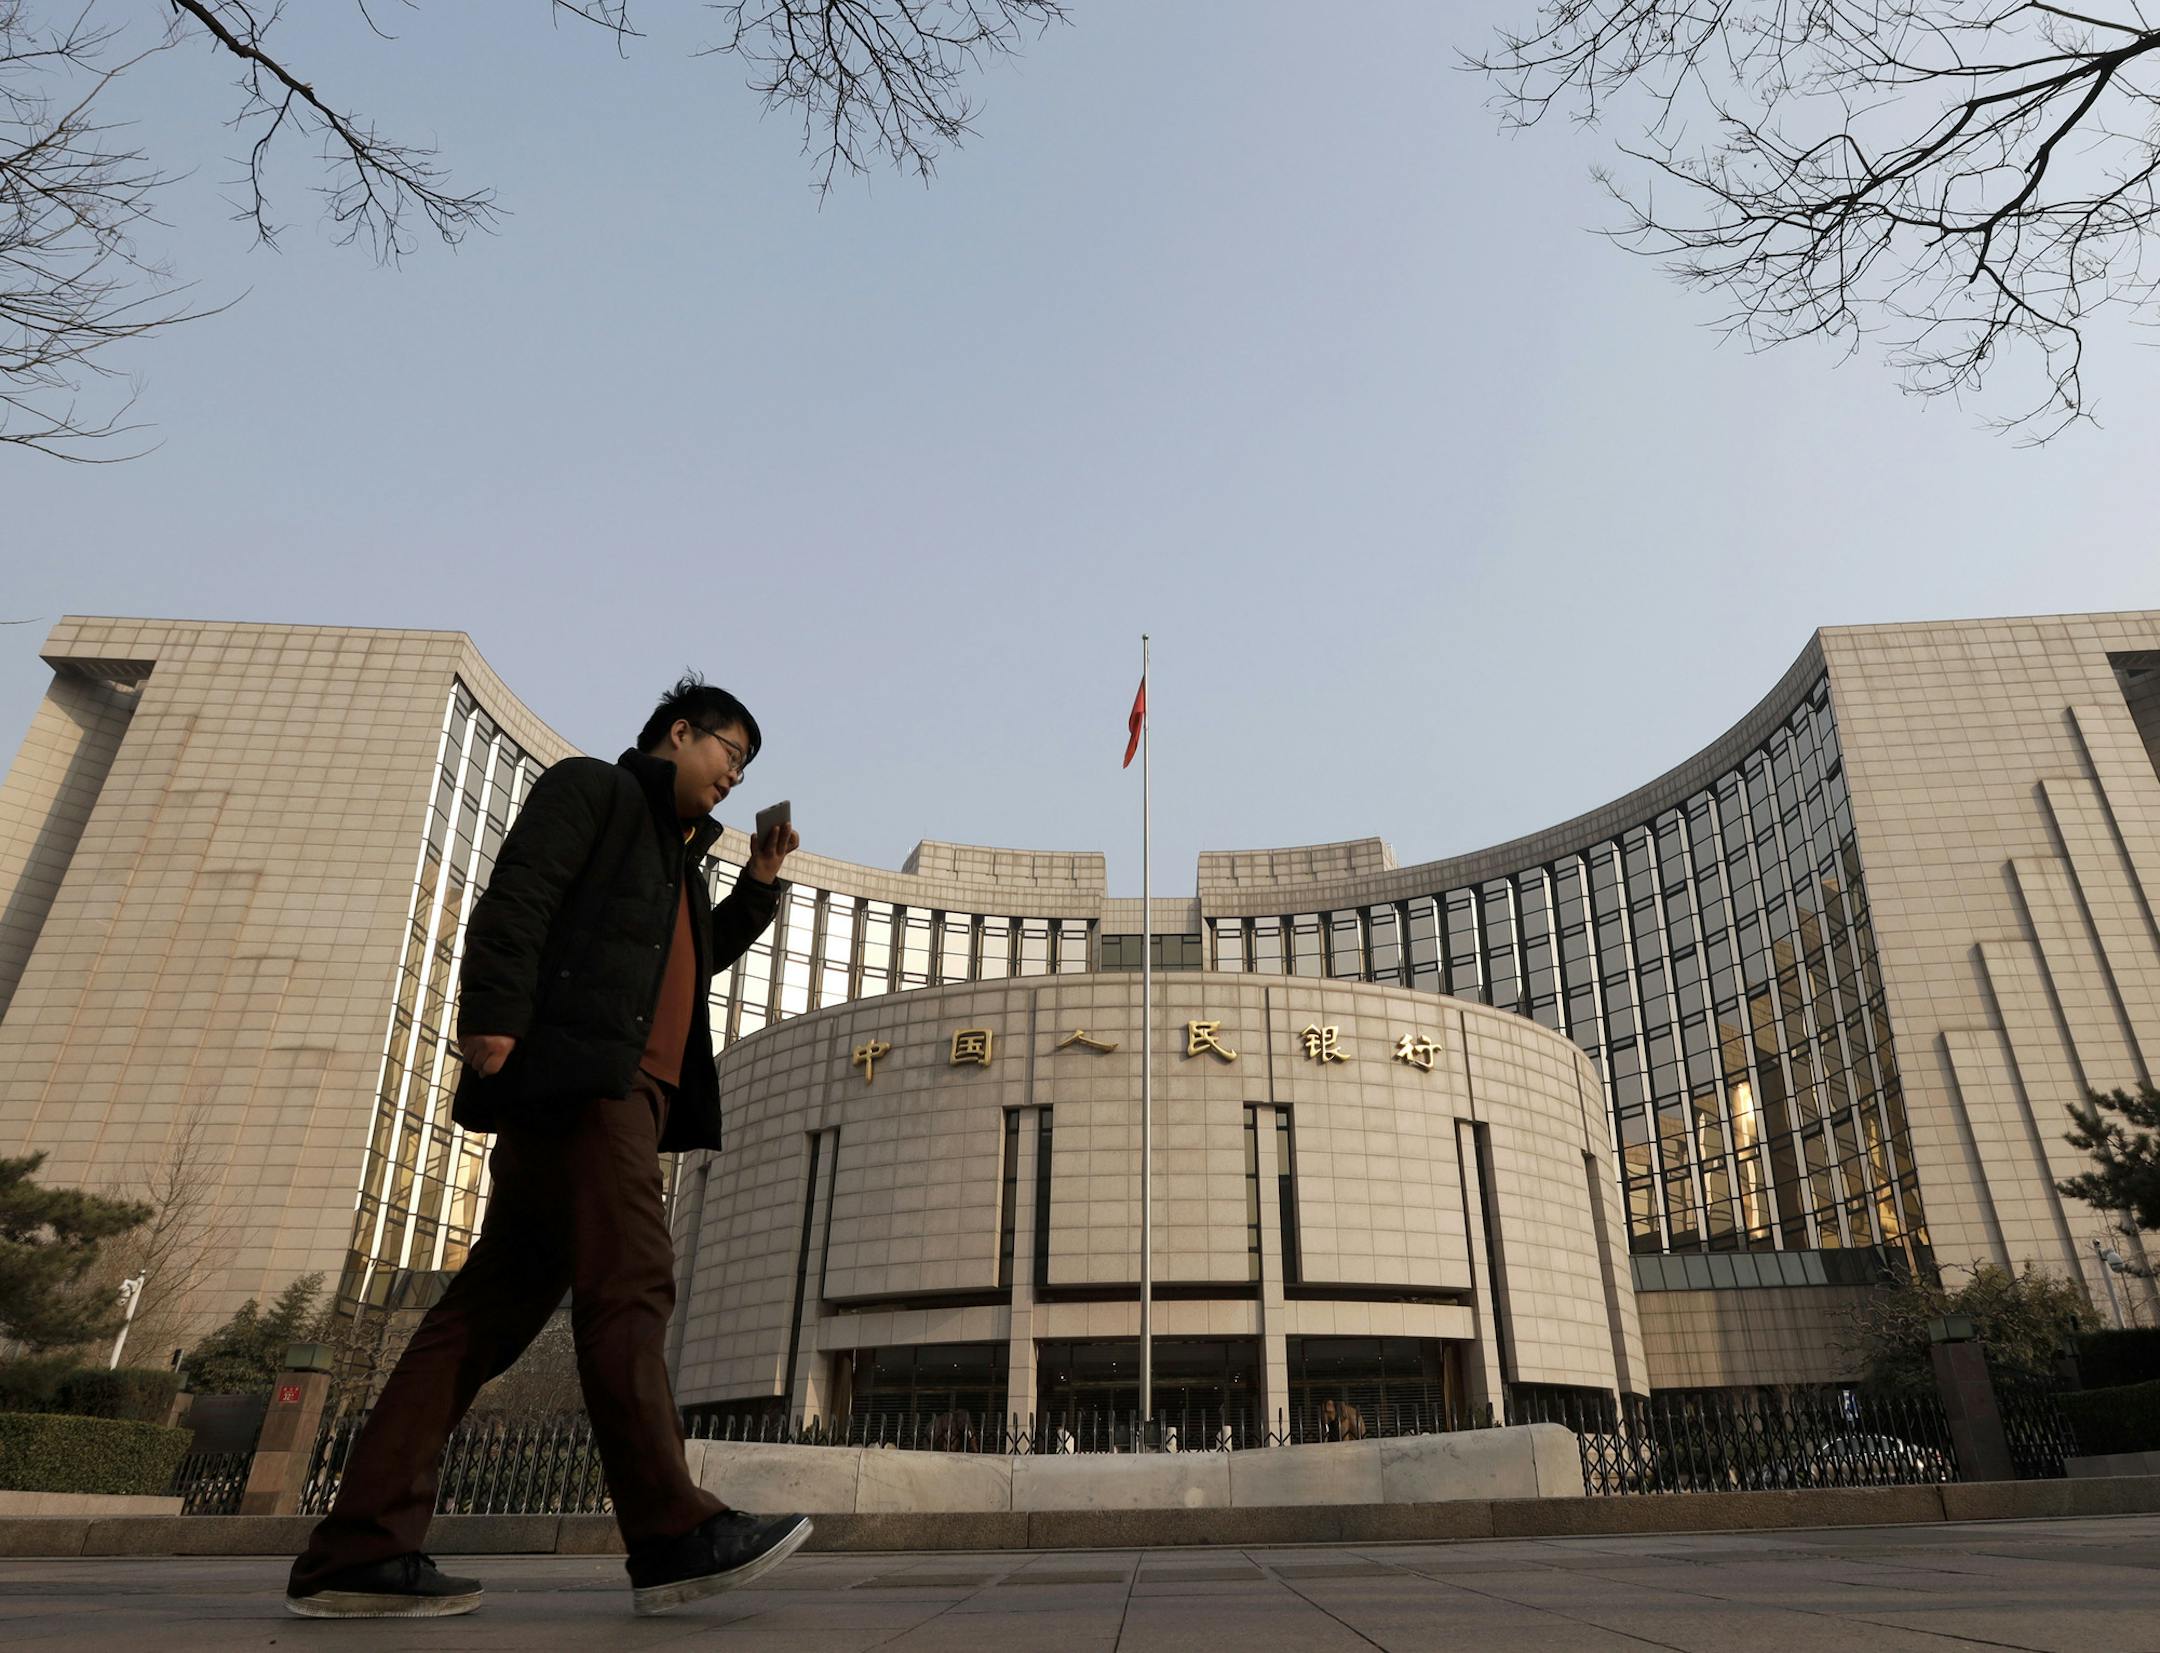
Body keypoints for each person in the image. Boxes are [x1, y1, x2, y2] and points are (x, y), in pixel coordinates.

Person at [287, 674, 811, 1619]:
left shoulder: (676, 862)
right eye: (730, 753)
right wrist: (490, 1016)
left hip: (625, 1102)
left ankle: (357, 1549)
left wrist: (761, 883)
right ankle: (670, 1532)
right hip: (583, 1086)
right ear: (679, 733)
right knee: (634, 1281)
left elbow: (703, 954)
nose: (735, 776)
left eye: (745, 766)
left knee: (477, 1322)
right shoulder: (595, 792)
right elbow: (520, 892)